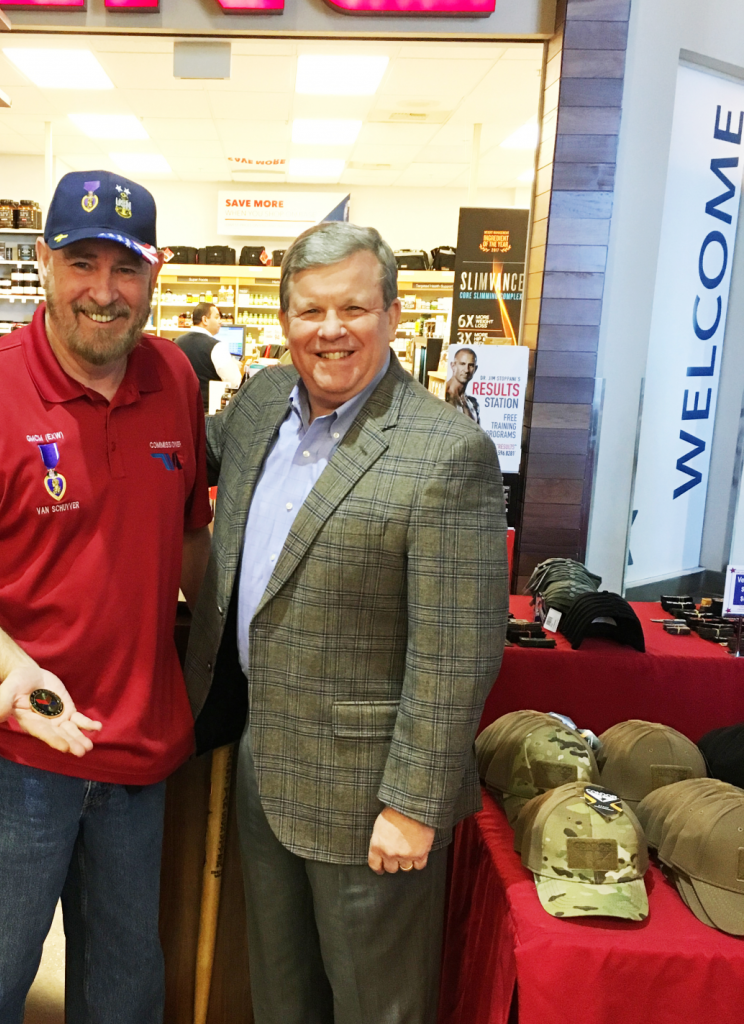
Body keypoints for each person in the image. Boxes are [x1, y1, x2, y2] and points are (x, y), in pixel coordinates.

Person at [0, 169, 213, 1024]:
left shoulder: (175, 377)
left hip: (136, 752)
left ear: (156, 272)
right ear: (43, 263)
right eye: (81, 262)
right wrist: (15, 667)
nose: (102, 293)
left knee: (123, 991)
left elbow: (187, 539)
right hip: (7, 757)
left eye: (126, 267)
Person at [185, 222, 508, 1024]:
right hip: (264, 760)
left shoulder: (445, 453)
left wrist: (412, 805)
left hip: (372, 796)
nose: (329, 331)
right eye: (309, 311)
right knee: (279, 995)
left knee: (376, 1007)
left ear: (392, 315)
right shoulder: (261, 403)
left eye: (353, 309)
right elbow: (178, 460)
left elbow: (457, 650)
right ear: (285, 318)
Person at [175, 301, 242, 410]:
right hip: (206, 412)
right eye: (216, 317)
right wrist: (235, 367)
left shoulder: (177, 342)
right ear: (205, 320)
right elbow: (234, 382)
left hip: (181, 409)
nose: (220, 321)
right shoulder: (216, 346)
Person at [445, 345, 480, 423]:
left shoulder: (473, 403)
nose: (466, 370)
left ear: (475, 369)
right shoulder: (444, 396)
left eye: (471, 365)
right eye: (462, 364)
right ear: (453, 366)